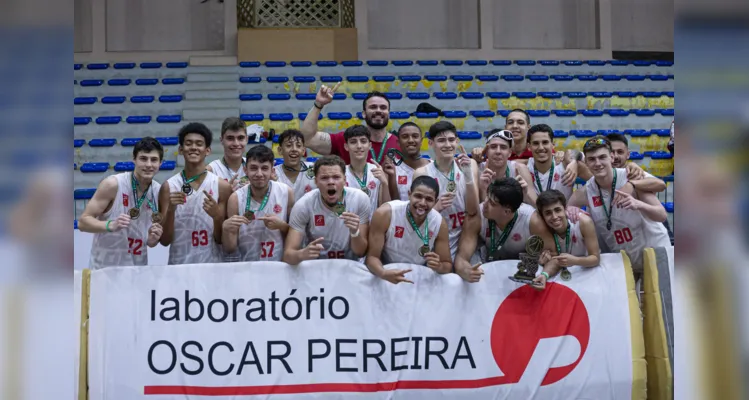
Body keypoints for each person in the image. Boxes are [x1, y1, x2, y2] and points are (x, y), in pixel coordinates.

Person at [567, 136, 671, 276]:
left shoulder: (630, 177)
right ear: (586, 162)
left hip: (655, 253)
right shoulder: (587, 190)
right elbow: (566, 207)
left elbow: (661, 215)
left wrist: (638, 204)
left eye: (602, 157)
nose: (597, 163)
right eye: (592, 159)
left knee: (660, 298)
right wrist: (571, 209)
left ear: (611, 157)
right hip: (625, 261)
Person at [79, 137, 164, 269]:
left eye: (153, 160)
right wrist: (110, 225)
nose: (148, 164)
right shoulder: (113, 184)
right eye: (143, 158)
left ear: (160, 163)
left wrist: (152, 240)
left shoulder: (158, 191)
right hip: (104, 271)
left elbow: (149, 240)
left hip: (137, 271)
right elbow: (83, 222)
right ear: (134, 159)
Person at [454, 177, 555, 283]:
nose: (484, 203)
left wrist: (544, 264)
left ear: (507, 211)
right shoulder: (477, 216)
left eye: (492, 203)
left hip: (521, 274)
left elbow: (554, 255)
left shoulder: (533, 221)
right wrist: (466, 270)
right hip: (486, 269)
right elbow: (461, 258)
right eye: (487, 197)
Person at [158, 123, 231, 265]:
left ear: (207, 150)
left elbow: (221, 240)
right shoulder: (168, 187)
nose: (193, 148)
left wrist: (217, 217)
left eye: (199, 144)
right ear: (180, 149)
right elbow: (165, 241)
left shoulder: (222, 186)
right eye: (188, 143)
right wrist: (171, 211)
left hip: (212, 266)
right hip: (179, 266)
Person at [283, 155, 371, 264]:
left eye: (336, 177)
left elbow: (360, 252)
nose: (331, 182)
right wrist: (302, 254)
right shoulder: (304, 205)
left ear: (345, 180)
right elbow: (288, 255)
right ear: (316, 181)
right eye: (324, 178)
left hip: (349, 266)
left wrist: (355, 232)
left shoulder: (360, 199)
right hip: (317, 266)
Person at [365, 176, 452, 284]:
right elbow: (371, 257)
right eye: (418, 196)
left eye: (429, 199)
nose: (422, 203)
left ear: (436, 201)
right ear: (409, 194)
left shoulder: (439, 223)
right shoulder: (385, 213)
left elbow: (447, 265)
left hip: (419, 279)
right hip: (387, 274)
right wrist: (383, 273)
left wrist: (438, 266)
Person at [413, 121, 479, 260]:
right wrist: (435, 208)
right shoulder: (421, 173)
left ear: (457, 141)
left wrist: (468, 176)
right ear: (431, 143)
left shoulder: (470, 165)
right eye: (441, 140)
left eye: (451, 140)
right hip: (434, 237)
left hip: (463, 237)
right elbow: (416, 218)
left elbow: (473, 211)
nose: (448, 145)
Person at [222, 146, 295, 262]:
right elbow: (230, 248)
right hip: (247, 267)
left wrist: (282, 226)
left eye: (264, 168)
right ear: (245, 170)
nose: (259, 173)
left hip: (278, 266)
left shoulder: (286, 192)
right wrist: (226, 230)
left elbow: (296, 238)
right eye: (254, 168)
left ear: (273, 170)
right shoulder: (235, 198)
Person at [300, 86, 400, 165]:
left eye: (383, 107)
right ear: (363, 113)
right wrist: (318, 104)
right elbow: (307, 139)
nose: (378, 110)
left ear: (389, 113)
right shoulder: (346, 139)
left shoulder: (400, 144)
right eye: (373, 107)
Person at [531, 190, 601, 289]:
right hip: (563, 278)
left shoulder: (584, 222)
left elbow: (596, 258)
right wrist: (544, 274)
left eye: (557, 210)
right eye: (548, 213)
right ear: (543, 217)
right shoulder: (544, 230)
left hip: (587, 272)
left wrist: (575, 261)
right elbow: (556, 261)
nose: (554, 217)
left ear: (565, 209)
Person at [476, 129, 537, 205]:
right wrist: (483, 190)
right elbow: (473, 211)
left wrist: (525, 195)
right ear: (486, 150)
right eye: (493, 147)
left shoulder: (520, 169)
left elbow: (536, 207)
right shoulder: (477, 170)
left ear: (510, 153)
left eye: (503, 147)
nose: (498, 151)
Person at [343, 125, 390, 220]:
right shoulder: (341, 173)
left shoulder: (377, 171)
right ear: (346, 146)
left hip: (373, 228)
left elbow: (385, 208)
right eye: (353, 142)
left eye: (363, 141)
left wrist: (385, 183)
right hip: (348, 227)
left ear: (370, 145)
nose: (359, 146)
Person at [383, 122, 432, 201]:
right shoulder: (391, 169)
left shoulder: (433, 166)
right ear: (398, 142)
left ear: (421, 141)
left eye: (415, 136)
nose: (410, 140)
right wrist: (392, 177)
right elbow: (392, 205)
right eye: (405, 137)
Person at [525, 124, 575, 199]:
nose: (541, 147)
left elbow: (580, 154)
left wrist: (575, 161)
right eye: (536, 143)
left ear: (553, 145)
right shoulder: (523, 168)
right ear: (529, 147)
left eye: (545, 142)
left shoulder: (565, 164)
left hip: (564, 210)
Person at [273, 129, 317, 200]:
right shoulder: (273, 173)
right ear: (280, 150)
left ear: (303, 151)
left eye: (298, 146)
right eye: (289, 145)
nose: (294, 149)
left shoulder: (313, 169)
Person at [206, 117, 249, 191]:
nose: (236, 143)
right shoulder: (211, 171)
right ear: (221, 140)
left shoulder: (255, 168)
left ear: (246, 139)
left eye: (240, 138)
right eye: (230, 138)